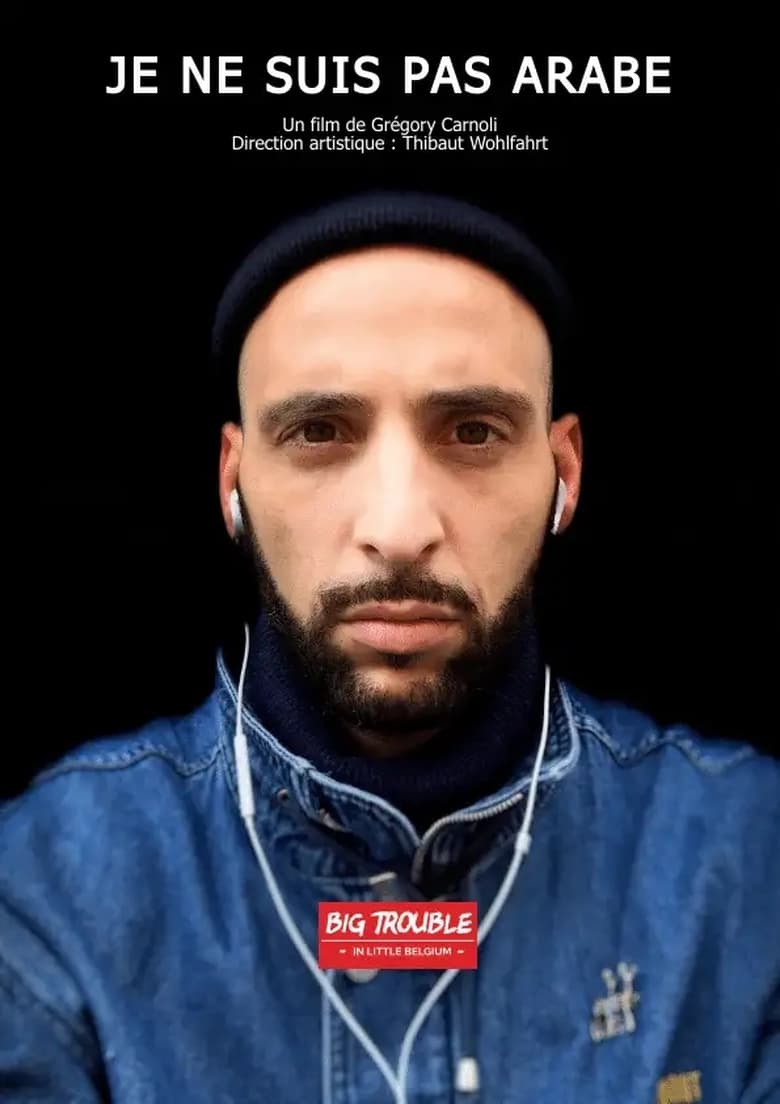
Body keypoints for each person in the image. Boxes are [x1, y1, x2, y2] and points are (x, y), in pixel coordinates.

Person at [1, 191, 777, 1104]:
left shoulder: (746, 859)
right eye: (320, 432)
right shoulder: (47, 890)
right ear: (233, 482)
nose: (401, 530)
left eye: (474, 432)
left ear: (564, 473)